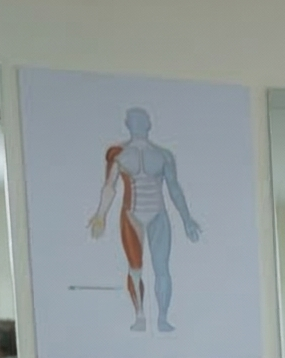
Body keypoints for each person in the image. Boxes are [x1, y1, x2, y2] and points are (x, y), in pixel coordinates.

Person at [86, 107, 205, 334]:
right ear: (130, 124)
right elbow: (109, 188)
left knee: (161, 268)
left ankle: (162, 318)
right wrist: (101, 214)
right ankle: (140, 315)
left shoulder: (163, 155)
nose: (139, 124)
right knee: (136, 268)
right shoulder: (121, 154)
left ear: (147, 124)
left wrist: (187, 218)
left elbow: (174, 189)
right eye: (136, 120)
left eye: (141, 120)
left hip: (157, 213)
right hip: (133, 213)